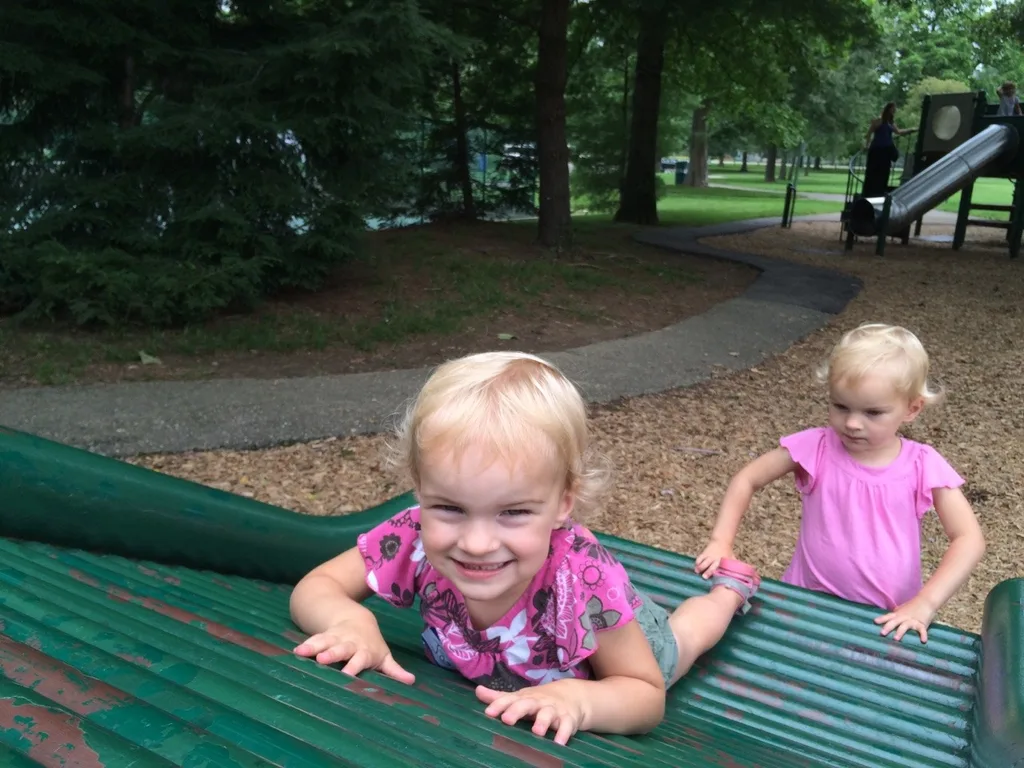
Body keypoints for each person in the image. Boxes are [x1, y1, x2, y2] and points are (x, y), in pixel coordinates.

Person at [289, 351, 761, 745]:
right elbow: (318, 585)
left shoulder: (579, 576)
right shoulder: (410, 534)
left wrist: (577, 700)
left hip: (617, 646)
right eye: (449, 507)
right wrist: (353, 623)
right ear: (419, 488)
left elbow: (644, 694)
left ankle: (729, 591)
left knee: (687, 638)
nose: (475, 543)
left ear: (563, 503)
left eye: (513, 512)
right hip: (524, 662)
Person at [695, 324, 985, 644]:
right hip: (805, 605)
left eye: (873, 412)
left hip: (887, 620)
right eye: (840, 406)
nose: (852, 423)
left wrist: (925, 604)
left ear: (912, 408)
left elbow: (968, 538)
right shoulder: (816, 447)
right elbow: (747, 478)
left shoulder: (922, 464)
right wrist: (721, 540)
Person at [862, 102, 917, 198]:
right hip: (877, 150)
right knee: (873, 171)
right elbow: (869, 133)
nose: (894, 111)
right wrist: (867, 145)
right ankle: (870, 192)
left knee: (884, 172)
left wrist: (911, 130)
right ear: (888, 109)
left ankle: (880, 191)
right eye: (893, 109)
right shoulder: (878, 121)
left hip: (886, 151)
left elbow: (898, 132)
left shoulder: (890, 123)